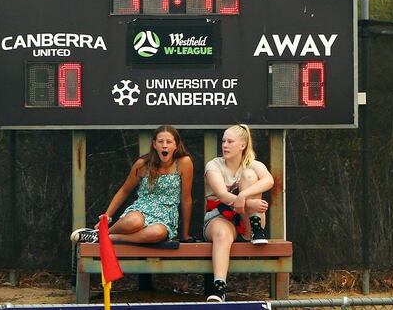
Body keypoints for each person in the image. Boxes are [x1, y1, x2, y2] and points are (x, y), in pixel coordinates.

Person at [70, 125, 194, 244]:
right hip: (142, 208)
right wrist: (107, 216)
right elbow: (124, 190)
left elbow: (186, 199)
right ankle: (101, 233)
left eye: (169, 142)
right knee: (134, 222)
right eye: (161, 141)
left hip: (166, 215)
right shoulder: (142, 164)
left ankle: (108, 237)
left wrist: (185, 235)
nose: (165, 146)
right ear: (154, 145)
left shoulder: (184, 163)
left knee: (157, 233)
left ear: (176, 145)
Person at [203, 124, 273, 302]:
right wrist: (249, 203)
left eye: (230, 141)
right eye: (223, 141)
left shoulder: (254, 165)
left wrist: (243, 195)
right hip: (220, 216)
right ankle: (219, 288)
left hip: (247, 220)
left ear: (242, 145)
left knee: (250, 176)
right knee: (221, 234)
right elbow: (222, 195)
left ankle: (257, 230)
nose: (225, 145)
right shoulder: (214, 165)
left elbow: (269, 180)